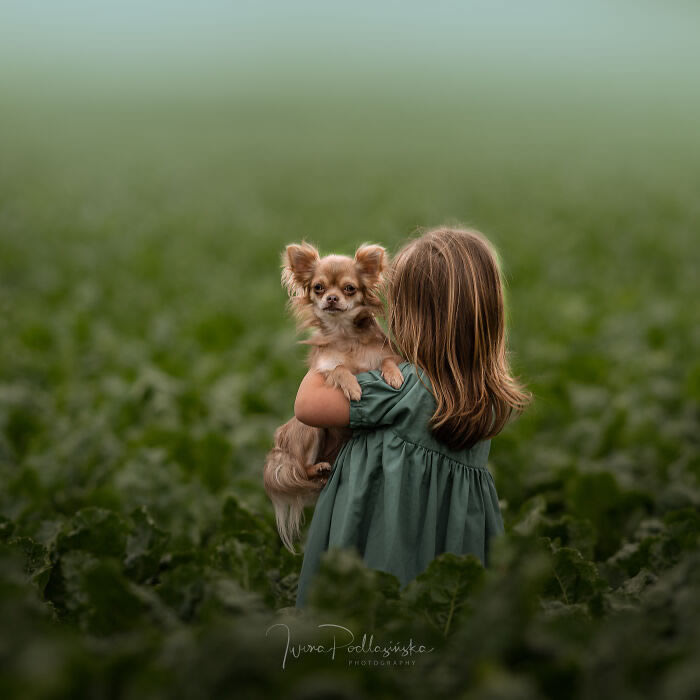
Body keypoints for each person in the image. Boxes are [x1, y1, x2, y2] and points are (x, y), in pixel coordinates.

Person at [292, 226, 532, 608]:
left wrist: (332, 337)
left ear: (414, 316)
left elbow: (307, 405)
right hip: (455, 538)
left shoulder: (400, 387)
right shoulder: (485, 391)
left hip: (382, 541)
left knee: (373, 623)